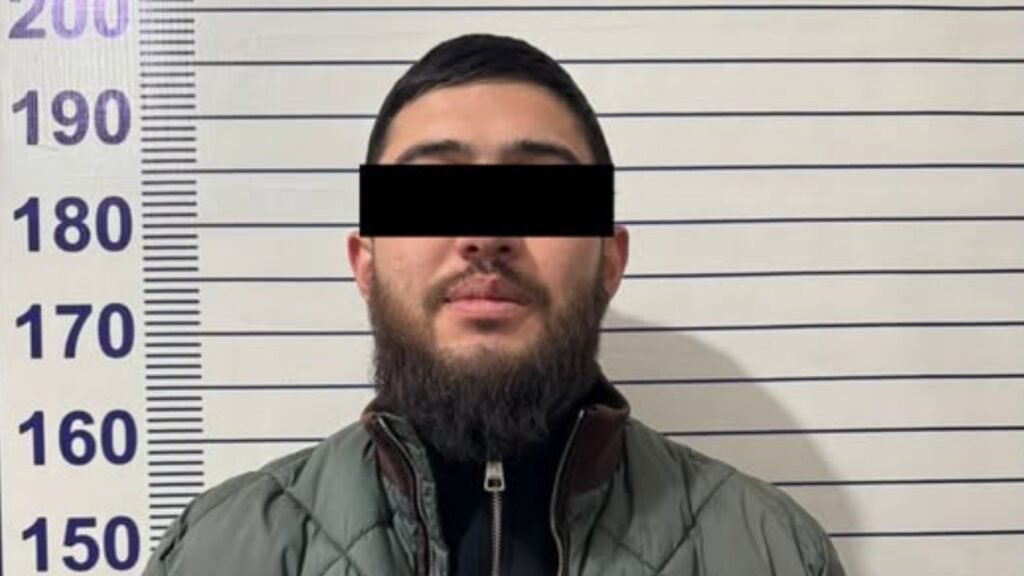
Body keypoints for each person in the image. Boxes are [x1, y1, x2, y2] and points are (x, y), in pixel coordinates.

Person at [143, 33, 847, 576]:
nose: (485, 234)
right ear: (365, 261)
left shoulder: (773, 554)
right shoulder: (217, 553)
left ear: (610, 259)